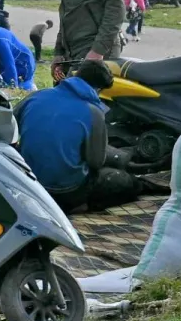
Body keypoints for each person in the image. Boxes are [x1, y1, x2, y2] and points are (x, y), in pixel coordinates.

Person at [17, 61, 140, 214]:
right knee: (126, 182)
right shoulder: (94, 112)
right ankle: (82, 205)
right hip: (66, 191)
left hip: (29, 183)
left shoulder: (36, 96)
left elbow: (10, 125)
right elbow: (96, 162)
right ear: (98, 89)